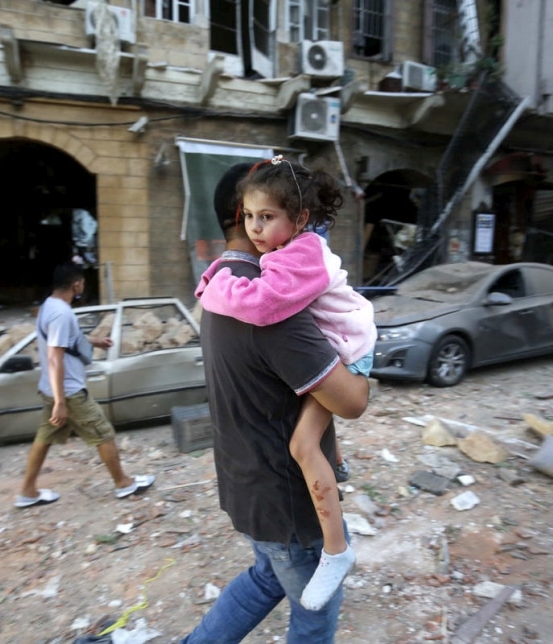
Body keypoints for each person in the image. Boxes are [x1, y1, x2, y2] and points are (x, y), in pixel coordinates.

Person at [181, 163, 369, 643]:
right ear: (241, 214)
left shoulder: (225, 286)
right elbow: (351, 401)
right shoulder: (268, 303)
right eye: (256, 213)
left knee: (266, 578)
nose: (264, 225)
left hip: (248, 488)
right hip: (289, 503)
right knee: (314, 615)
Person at [14, 262, 155, 508]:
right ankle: (123, 483)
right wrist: (60, 402)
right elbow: (54, 357)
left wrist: (95, 341)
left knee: (44, 438)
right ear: (77, 284)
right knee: (103, 433)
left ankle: (27, 491)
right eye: (83, 284)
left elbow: (66, 340)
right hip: (68, 392)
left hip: (51, 388)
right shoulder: (62, 313)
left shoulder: (49, 306)